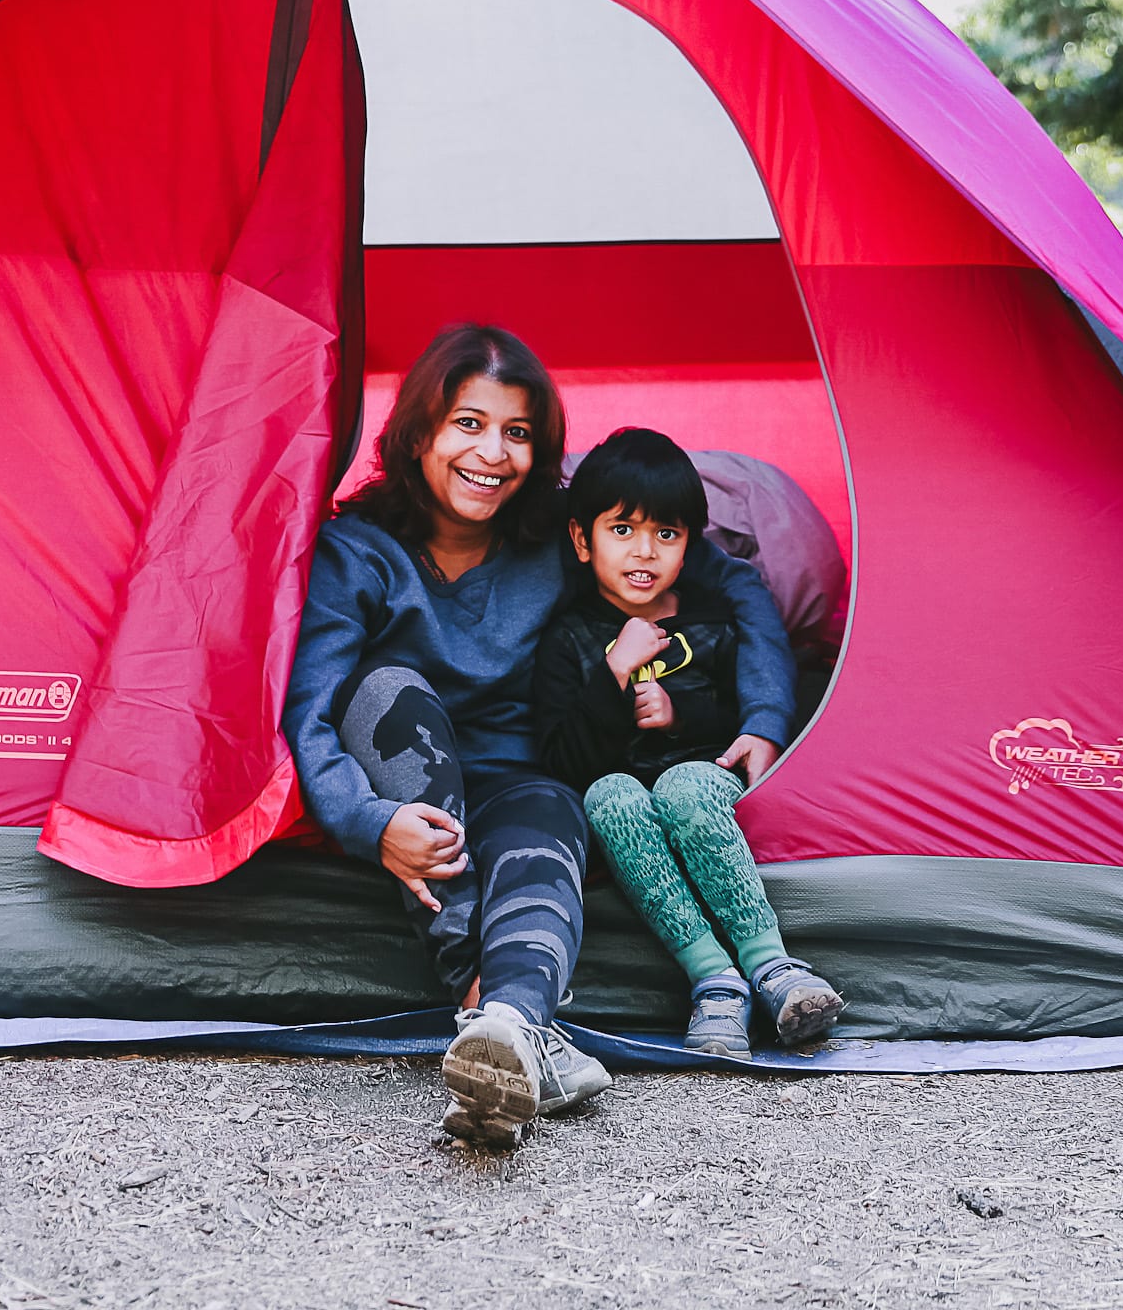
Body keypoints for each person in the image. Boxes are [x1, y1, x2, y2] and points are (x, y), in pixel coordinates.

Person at [284, 325, 799, 1147]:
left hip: (519, 775)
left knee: (555, 816)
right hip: (406, 778)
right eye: (468, 423)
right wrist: (367, 821)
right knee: (388, 689)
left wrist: (766, 717)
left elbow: (729, 580)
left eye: (518, 433)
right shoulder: (360, 552)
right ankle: (504, 1022)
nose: (493, 452)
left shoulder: (560, 534)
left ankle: (508, 1028)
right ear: (418, 432)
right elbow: (308, 707)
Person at [533, 428, 845, 1059]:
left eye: (666, 534)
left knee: (685, 783)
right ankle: (715, 982)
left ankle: (774, 967)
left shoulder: (709, 622)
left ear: (689, 546)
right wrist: (613, 673)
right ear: (580, 540)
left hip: (702, 774)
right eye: (621, 530)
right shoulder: (566, 639)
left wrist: (680, 716)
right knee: (610, 795)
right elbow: (561, 755)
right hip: (618, 786)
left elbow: (731, 712)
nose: (644, 551)